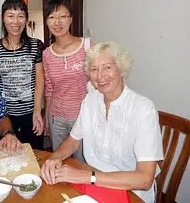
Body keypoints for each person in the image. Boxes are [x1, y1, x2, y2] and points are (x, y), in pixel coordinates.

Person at [40, 41, 164, 203]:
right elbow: (73, 140)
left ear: (121, 68)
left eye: (107, 67)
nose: (100, 76)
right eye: (94, 69)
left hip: (131, 191)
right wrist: (55, 157)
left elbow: (145, 179)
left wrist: (88, 177)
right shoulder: (90, 100)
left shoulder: (143, 109)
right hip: (94, 184)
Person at [0, 0, 44, 150]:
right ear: (3, 19)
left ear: (26, 19)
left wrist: (37, 112)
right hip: (6, 117)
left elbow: (40, 81)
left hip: (31, 113)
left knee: (35, 154)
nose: (15, 22)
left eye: (20, 16)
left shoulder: (36, 45)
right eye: (10, 16)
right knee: (9, 157)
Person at [42, 0, 90, 161]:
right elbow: (49, 89)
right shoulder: (47, 54)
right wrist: (47, 118)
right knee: (61, 164)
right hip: (57, 119)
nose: (57, 22)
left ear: (71, 19)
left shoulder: (87, 47)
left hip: (84, 117)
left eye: (62, 16)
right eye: (51, 17)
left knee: (84, 164)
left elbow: (100, 84)